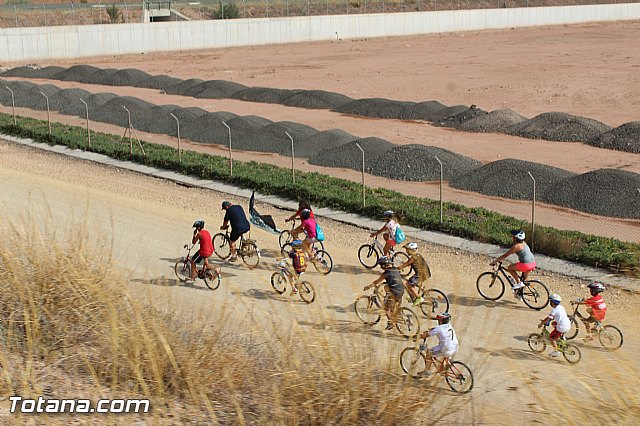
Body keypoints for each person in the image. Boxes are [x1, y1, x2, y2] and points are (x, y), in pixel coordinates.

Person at [363, 257, 404, 331]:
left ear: (384, 265)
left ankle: (391, 323)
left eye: (381, 266)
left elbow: (376, 282)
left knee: (385, 308)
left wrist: (368, 287)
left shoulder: (385, 274)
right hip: (401, 290)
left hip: (394, 292)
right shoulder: (395, 269)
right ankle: (398, 314)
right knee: (387, 289)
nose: (381, 267)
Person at [417, 312, 459, 377]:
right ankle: (446, 366)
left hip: (445, 349)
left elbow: (426, 335)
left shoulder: (438, 328)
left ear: (440, 321)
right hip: (455, 347)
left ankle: (426, 371)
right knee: (446, 352)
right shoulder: (449, 325)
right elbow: (437, 329)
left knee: (429, 353)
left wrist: (417, 337)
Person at [538, 293, 571, 358]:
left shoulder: (554, 310)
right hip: (568, 324)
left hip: (562, 327)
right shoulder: (561, 307)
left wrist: (541, 324)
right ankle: (562, 337)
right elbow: (555, 317)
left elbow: (548, 318)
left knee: (551, 338)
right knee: (553, 323)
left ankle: (556, 351)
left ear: (552, 302)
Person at [399, 242, 430, 306]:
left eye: (407, 249)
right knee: (411, 281)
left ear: (411, 250)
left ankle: (418, 298)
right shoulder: (418, 255)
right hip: (426, 273)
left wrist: (397, 268)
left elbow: (406, 264)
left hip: (421, 275)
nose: (406, 251)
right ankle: (413, 296)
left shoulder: (412, 258)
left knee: (408, 284)